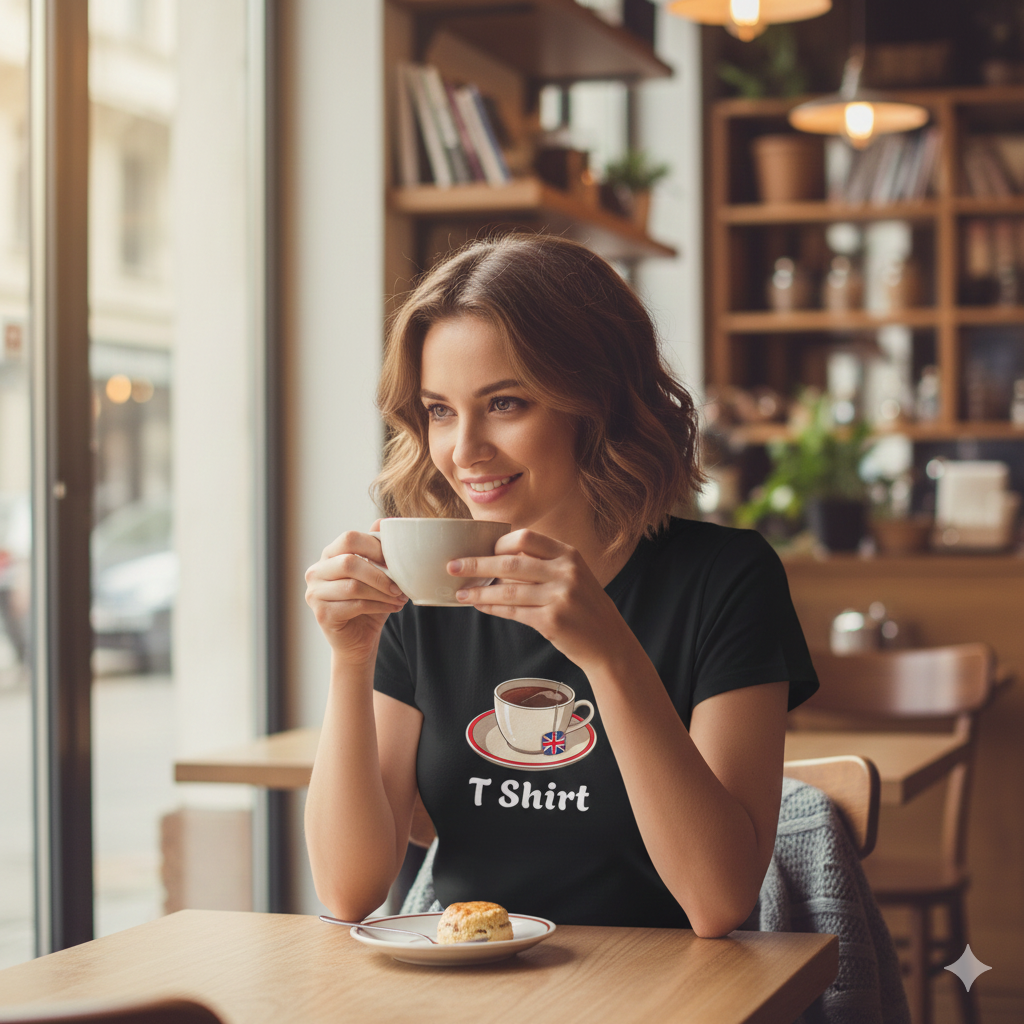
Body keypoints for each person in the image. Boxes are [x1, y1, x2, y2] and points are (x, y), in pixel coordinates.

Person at [304, 234, 817, 937]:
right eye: (440, 410)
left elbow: (718, 900)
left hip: (665, 996)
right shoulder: (426, 589)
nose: (463, 450)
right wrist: (349, 658)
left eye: (506, 403)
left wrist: (608, 651)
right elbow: (347, 890)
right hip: (464, 989)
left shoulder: (725, 580)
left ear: (596, 402)